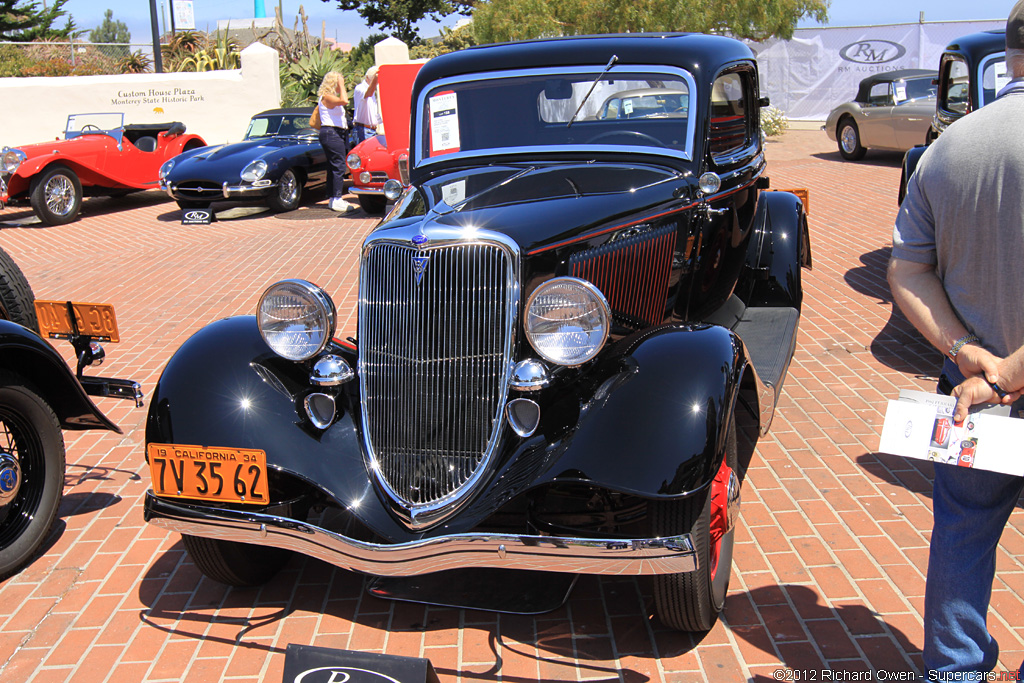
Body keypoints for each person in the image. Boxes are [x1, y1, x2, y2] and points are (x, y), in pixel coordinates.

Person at [887, 2, 1024, 679]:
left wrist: (969, 351)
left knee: (963, 533)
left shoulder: (947, 149)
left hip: (971, 393)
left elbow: (906, 268)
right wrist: (1008, 371)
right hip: (993, 384)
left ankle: (953, 668)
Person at [316, 71, 354, 213]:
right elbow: (345, 100)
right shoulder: (327, 97)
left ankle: (333, 198)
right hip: (331, 133)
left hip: (337, 133)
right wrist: (341, 84)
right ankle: (337, 198)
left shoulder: (329, 98)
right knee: (338, 166)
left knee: (334, 166)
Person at [351, 66, 381, 146]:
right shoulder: (360, 88)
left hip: (370, 130)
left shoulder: (371, 90)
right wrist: (375, 79)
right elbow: (368, 93)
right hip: (363, 129)